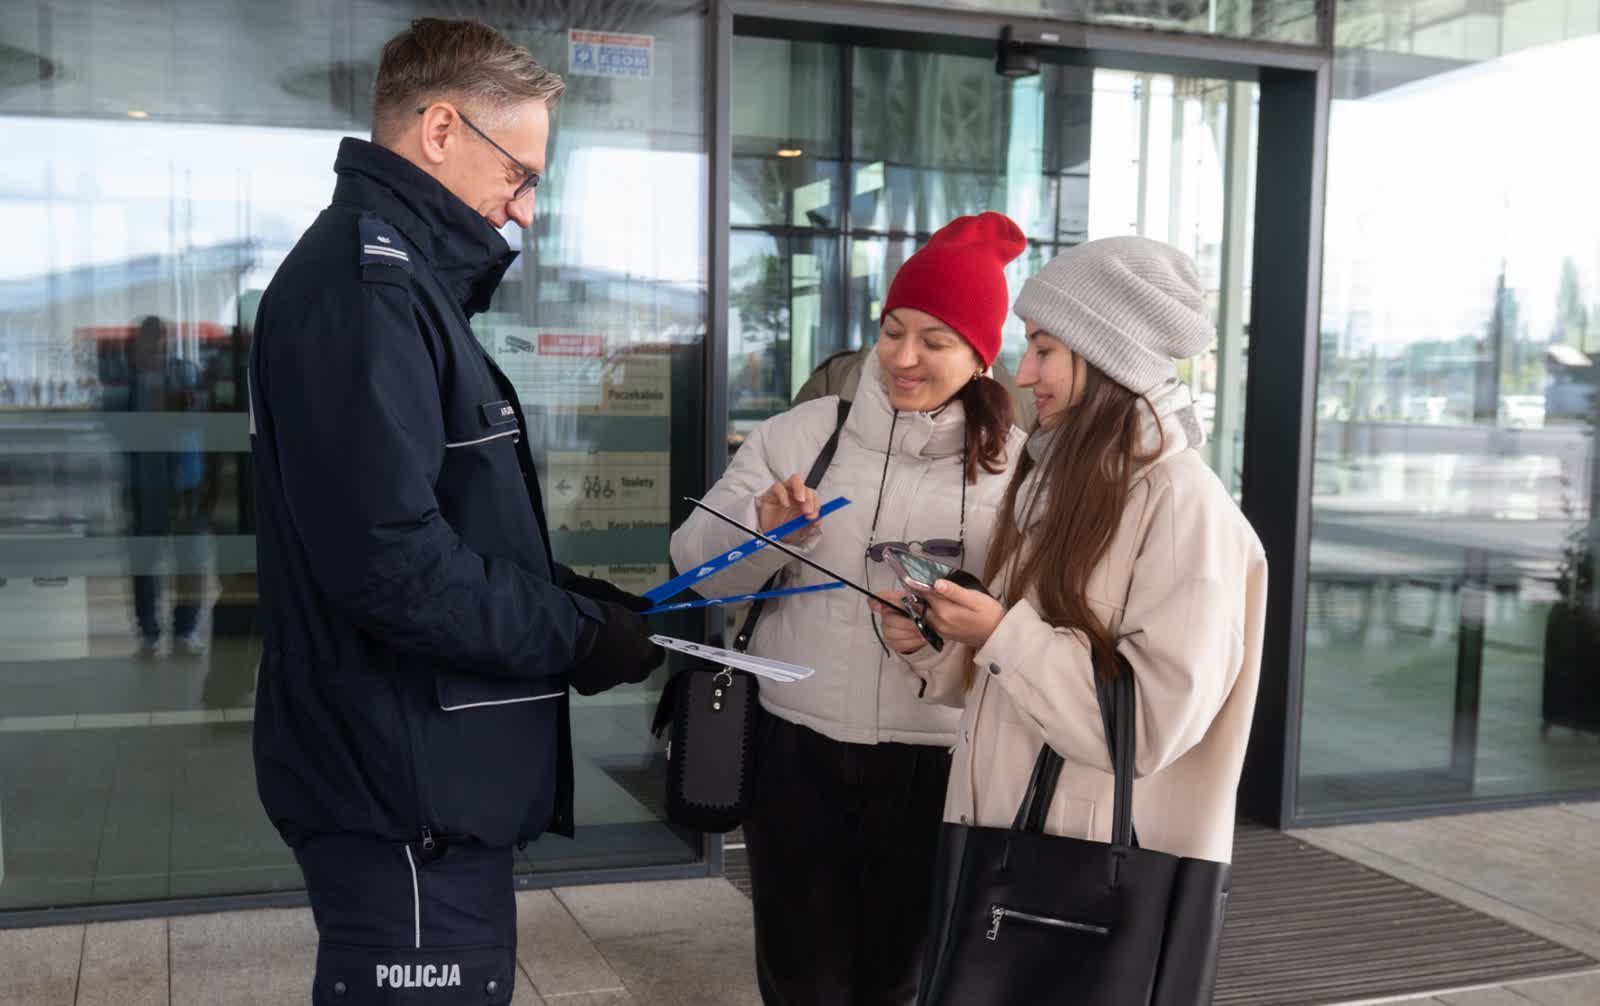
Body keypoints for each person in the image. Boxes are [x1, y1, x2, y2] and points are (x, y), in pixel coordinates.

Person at [247, 19, 660, 1005]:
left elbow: (425, 517)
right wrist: (569, 633)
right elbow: (390, 563)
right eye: (517, 172)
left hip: (423, 781)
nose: (519, 210)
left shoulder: (396, 286)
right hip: (402, 791)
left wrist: (563, 594)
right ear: (440, 129)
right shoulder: (366, 292)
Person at [670, 212, 1028, 1005]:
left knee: (904, 979)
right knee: (802, 979)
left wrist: (962, 626)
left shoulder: (1015, 475)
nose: (903, 358)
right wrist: (761, 532)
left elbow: (1035, 629)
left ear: (980, 353)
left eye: (934, 342)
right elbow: (697, 571)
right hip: (797, 754)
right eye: (893, 330)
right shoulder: (800, 437)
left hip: (938, 765)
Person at [874, 236, 1268, 868]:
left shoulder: (1181, 502)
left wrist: (1000, 632)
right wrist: (935, 640)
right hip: (1005, 840)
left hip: (1085, 870)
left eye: (1044, 349)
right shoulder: (1054, 480)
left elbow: (1146, 728)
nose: (1023, 373)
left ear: (1109, 356)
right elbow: (1008, 679)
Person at [123, 315, 212, 659]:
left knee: (189, 561)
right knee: (146, 562)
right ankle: (149, 631)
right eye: (149, 339)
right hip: (145, 483)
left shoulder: (184, 372)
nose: (155, 345)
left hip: (185, 483)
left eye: (160, 338)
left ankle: (185, 629)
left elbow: (202, 419)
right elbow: (117, 429)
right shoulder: (130, 381)